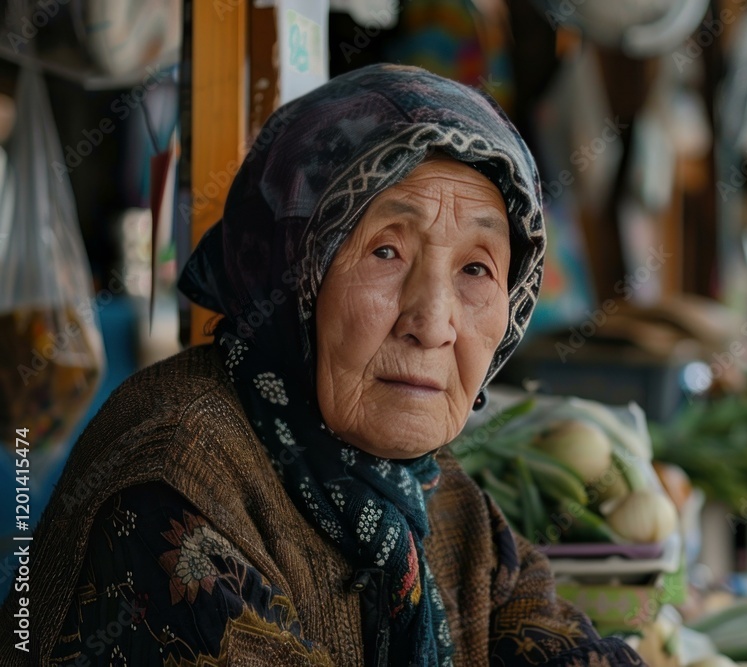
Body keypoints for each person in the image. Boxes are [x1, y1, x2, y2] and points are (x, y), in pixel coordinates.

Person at [0, 65, 644, 666]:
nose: (433, 323)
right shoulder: (176, 479)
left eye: (477, 269)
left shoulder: (434, 495)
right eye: (386, 252)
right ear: (289, 274)